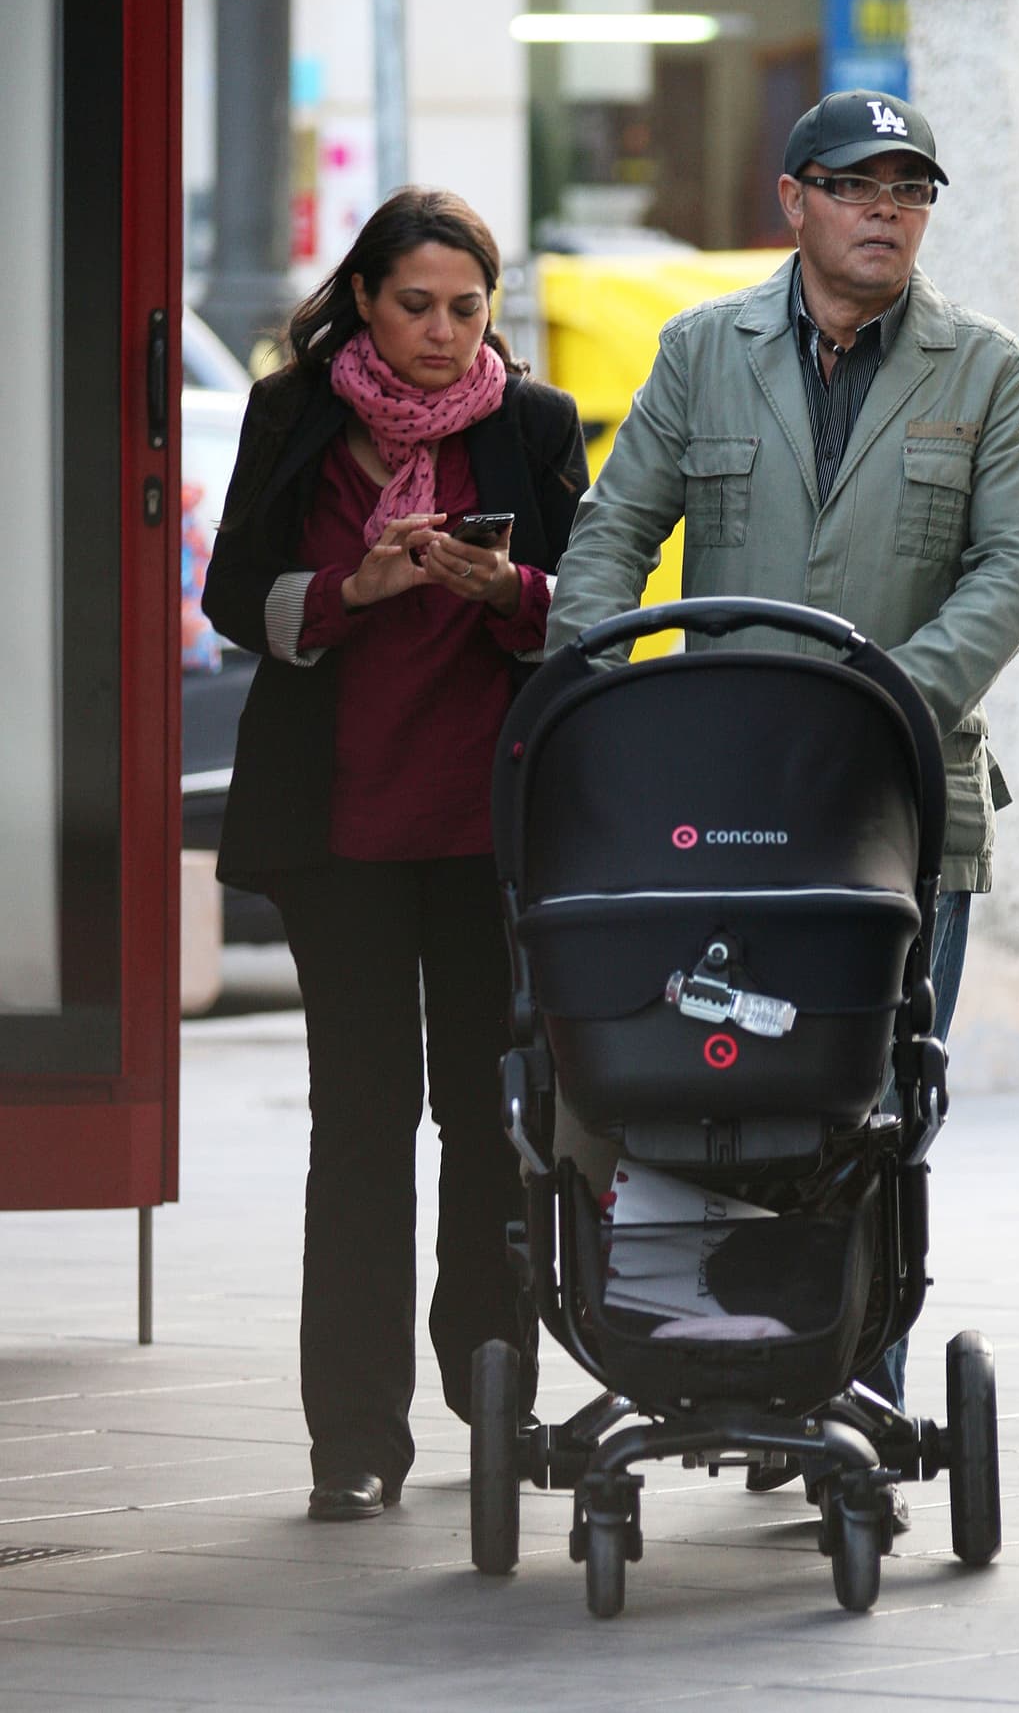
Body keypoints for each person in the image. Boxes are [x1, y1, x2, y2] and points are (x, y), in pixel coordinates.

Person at [544, 89, 1019, 1485]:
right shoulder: (703, 355)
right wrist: (593, 702)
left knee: (877, 1106)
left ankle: (851, 1393)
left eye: (913, 189)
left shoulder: (984, 371)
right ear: (796, 200)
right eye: (857, 184)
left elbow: (1017, 569)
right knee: (710, 1092)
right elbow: (609, 542)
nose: (889, 209)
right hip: (710, 806)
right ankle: (717, 1353)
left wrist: (887, 699)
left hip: (902, 802)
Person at [202, 187, 588, 1522]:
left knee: (491, 1125)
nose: (439, 333)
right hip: (340, 835)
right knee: (358, 1128)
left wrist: (508, 592)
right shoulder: (291, 416)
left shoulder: (530, 427)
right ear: (362, 299)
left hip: (490, 835)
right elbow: (232, 591)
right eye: (414, 305)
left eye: (464, 309)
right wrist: (351, 591)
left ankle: (496, 1403)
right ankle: (354, 1443)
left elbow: (587, 605)